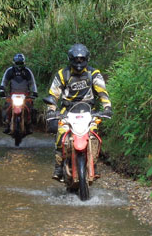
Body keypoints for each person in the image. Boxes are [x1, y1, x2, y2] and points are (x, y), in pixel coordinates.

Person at [44, 43, 112, 180]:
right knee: (61, 135)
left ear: (87, 59)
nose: (79, 62)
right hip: (67, 111)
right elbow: (53, 95)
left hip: (88, 111)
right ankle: (58, 167)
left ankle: (94, 164)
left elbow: (103, 93)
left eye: (81, 60)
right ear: (71, 59)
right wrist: (51, 110)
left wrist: (107, 108)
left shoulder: (94, 74)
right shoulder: (63, 74)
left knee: (94, 135)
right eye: (76, 60)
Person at [0, 53, 37, 133]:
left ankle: (29, 124)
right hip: (13, 94)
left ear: (24, 63)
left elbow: (32, 83)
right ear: (14, 63)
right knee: (7, 107)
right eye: (17, 63)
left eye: (21, 63)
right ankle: (7, 123)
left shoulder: (27, 71)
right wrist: (2, 91)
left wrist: (34, 92)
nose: (19, 66)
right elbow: (4, 82)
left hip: (25, 95)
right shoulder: (9, 71)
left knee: (30, 108)